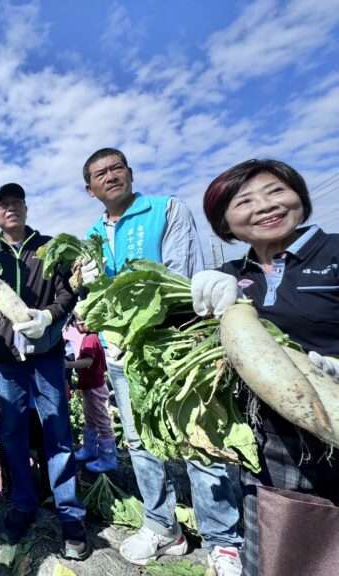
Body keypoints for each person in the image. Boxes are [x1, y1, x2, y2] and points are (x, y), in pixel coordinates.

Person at [78, 148, 243, 575]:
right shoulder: (93, 233)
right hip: (122, 354)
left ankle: (224, 541)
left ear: (130, 174)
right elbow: (100, 296)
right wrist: (91, 295)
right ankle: (162, 526)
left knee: (198, 439)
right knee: (139, 441)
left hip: (173, 345)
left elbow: (176, 282)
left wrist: (130, 323)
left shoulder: (167, 210)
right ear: (90, 189)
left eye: (117, 168)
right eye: (100, 173)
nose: (110, 176)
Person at [190, 159, 339, 576]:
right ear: (225, 222)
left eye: (275, 192)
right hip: (271, 441)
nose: (264, 206)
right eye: (244, 201)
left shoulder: (334, 252)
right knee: (282, 551)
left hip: (331, 416)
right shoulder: (231, 275)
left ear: (300, 197)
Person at [0, 183, 89, 560]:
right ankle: (23, 504)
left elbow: (67, 293)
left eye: (16, 203)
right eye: (2, 204)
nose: (11, 209)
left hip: (47, 352)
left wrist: (47, 316)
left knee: (57, 430)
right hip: (7, 357)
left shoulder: (50, 246)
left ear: (26, 208)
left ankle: (70, 515)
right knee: (12, 432)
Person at [63, 319, 117, 473]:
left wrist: (67, 364)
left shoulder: (90, 339)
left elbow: (87, 361)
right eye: (76, 322)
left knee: (102, 420)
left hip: (95, 387)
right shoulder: (90, 338)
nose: (77, 325)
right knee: (90, 419)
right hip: (89, 386)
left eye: (82, 322)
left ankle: (108, 458)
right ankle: (89, 449)